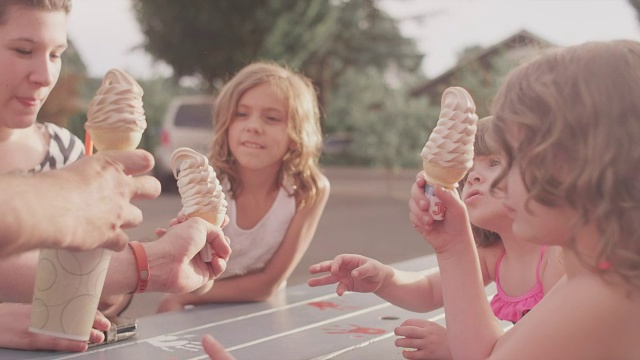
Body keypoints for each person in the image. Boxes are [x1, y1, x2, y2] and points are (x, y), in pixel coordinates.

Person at [0, 0, 231, 352]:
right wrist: (151, 264)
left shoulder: (67, 152)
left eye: (55, 55)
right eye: (23, 50)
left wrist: (137, 273)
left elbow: (99, 286)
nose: (45, 76)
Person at [409, 40, 640, 359]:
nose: (500, 180)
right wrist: (453, 245)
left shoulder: (609, 291)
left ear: (582, 164)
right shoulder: (598, 274)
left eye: (514, 157)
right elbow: (488, 354)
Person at [308, 117, 564, 359]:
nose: (473, 177)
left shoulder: (557, 257)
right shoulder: (494, 255)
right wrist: (384, 279)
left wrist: (456, 348)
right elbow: (429, 291)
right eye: (468, 173)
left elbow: (550, 350)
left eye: (494, 163)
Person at [157, 61, 330, 311]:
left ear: (296, 136)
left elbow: (267, 284)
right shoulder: (209, 182)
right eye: (241, 114)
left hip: (261, 310)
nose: (253, 126)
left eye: (272, 118)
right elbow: (187, 275)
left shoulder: (309, 189)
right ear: (226, 124)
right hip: (199, 305)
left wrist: (186, 297)